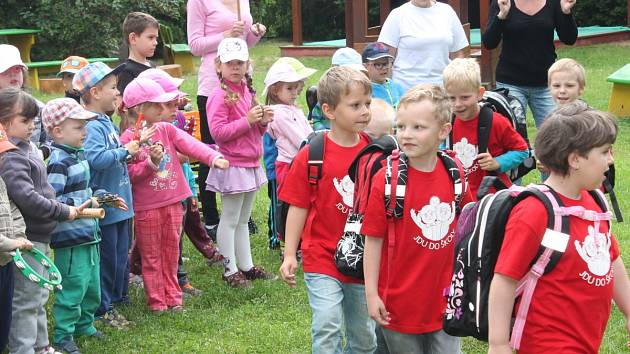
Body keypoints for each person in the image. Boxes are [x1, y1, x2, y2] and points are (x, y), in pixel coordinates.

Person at [488, 101, 630, 354]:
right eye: (605, 151)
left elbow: (611, 258)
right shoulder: (535, 211)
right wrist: (498, 344)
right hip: (546, 343)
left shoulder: (595, 200)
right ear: (575, 159)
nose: (611, 160)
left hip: (585, 337)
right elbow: (505, 279)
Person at [362, 84, 472, 354]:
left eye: (418, 127)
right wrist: (371, 294)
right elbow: (373, 241)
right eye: (401, 127)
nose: (407, 135)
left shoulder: (455, 175)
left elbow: (469, 229)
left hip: (444, 299)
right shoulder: (385, 182)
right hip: (397, 304)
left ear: (444, 131)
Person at [278, 66, 377, 354]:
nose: (365, 111)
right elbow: (297, 206)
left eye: (367, 104)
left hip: (362, 259)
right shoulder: (313, 153)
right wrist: (289, 254)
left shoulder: (374, 152)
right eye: (355, 105)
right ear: (329, 111)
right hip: (321, 255)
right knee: (327, 324)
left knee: (364, 338)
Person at [120, 77, 228, 312]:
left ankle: (174, 298)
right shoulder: (128, 141)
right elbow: (130, 175)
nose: (163, 108)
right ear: (139, 109)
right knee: (151, 256)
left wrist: (212, 157)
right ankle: (158, 302)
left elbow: (190, 145)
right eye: (156, 105)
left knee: (171, 252)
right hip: (147, 208)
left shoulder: (166, 129)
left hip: (174, 202)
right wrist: (151, 163)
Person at [0, 88, 84, 354]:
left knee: (38, 296)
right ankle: (23, 349)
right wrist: (61, 210)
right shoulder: (11, 157)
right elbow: (26, 197)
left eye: (33, 121)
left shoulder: (23, 149)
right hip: (27, 240)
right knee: (26, 300)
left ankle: (41, 347)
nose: (32, 126)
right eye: (25, 121)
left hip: (39, 237)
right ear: (3, 124)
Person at [42, 98, 127, 353]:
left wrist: (103, 196)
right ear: (58, 131)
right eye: (79, 127)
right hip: (70, 237)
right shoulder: (58, 161)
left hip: (90, 233)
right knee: (74, 285)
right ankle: (63, 334)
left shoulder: (78, 156)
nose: (85, 132)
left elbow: (86, 189)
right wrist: (85, 203)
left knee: (91, 284)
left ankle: (85, 324)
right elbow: (53, 200)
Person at [187, 0, 267, 238]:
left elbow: (241, 46)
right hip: (215, 87)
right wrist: (224, 35)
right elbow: (194, 45)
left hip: (241, 88)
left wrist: (253, 35)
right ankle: (211, 218)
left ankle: (240, 212)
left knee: (242, 144)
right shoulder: (198, 2)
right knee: (211, 152)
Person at [76, 62, 145, 329]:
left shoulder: (104, 121)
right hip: (106, 206)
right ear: (94, 92)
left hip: (121, 204)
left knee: (120, 254)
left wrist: (130, 153)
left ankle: (119, 297)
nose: (118, 93)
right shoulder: (91, 126)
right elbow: (95, 159)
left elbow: (115, 157)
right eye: (113, 88)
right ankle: (103, 308)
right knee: (106, 259)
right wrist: (124, 151)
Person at [205, 38, 276, 288]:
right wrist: (247, 120)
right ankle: (229, 269)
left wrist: (262, 122)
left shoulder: (247, 92)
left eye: (240, 62)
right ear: (219, 66)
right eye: (229, 63)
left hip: (250, 163)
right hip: (232, 165)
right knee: (230, 218)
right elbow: (218, 133)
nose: (235, 67)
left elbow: (255, 134)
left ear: (247, 64)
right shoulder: (218, 96)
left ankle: (245, 266)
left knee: (243, 219)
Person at [482, 0, 578, 128]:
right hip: (510, 83)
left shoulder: (554, 2)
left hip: (545, 84)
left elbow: (569, 39)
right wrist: (501, 16)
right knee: (512, 136)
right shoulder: (503, 2)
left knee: (554, 135)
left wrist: (566, 12)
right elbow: (489, 43)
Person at [443, 58, 528, 197]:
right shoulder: (448, 122)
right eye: (452, 98)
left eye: (465, 97)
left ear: (479, 93)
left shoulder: (496, 121)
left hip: (492, 196)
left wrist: (497, 163)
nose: (457, 104)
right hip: (461, 196)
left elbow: (522, 151)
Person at [377, 0, 468, 90]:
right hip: (406, 91)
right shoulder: (397, 14)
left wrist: (457, 84)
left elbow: (457, 55)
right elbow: (386, 58)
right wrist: (389, 92)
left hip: (442, 89)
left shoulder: (447, 11)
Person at [0, 124, 33, 354]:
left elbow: (12, 210)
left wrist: (19, 235)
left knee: (4, 317)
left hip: (4, 261)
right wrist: (12, 243)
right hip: (6, 250)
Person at [264, 60, 316, 187]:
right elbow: (299, 140)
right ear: (275, 90)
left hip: (299, 161)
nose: (294, 92)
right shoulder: (278, 114)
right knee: (288, 205)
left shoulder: (292, 108)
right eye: (289, 88)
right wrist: (317, 146)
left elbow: (308, 133)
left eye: (295, 87)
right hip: (289, 165)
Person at [0, 44, 50, 159]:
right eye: (5, 71)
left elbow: (51, 138)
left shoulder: (38, 107)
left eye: (17, 69)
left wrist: (41, 153)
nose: (13, 74)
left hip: (30, 169)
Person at [311, 47, 369, 131]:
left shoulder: (363, 95)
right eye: (355, 105)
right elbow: (315, 119)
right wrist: (323, 132)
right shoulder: (329, 95)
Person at [116, 12, 159, 95]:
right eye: (151, 37)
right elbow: (121, 104)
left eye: (156, 38)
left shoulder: (152, 66)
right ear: (133, 38)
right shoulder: (126, 71)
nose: (156, 42)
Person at [362, 42, 405, 109]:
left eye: (386, 63)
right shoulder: (365, 91)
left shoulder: (397, 87)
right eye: (378, 65)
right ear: (365, 66)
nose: (384, 68)